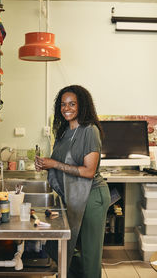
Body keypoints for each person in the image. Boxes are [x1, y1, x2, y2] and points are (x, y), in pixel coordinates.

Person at [35, 85, 111, 278]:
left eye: (72, 104)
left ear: (82, 106)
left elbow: (88, 171)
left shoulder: (89, 131)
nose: (66, 108)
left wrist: (55, 164)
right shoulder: (63, 132)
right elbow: (59, 163)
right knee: (62, 247)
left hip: (92, 196)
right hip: (71, 196)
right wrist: (46, 164)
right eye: (63, 104)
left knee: (90, 254)